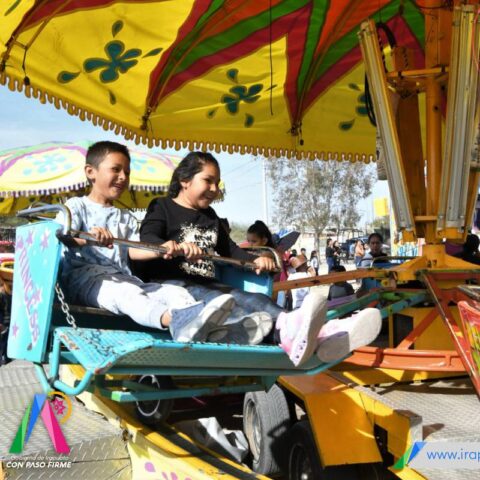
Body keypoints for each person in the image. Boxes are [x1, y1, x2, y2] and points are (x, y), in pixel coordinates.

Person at [140, 151, 382, 365]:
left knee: (255, 299)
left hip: (209, 284)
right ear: (185, 180)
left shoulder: (210, 216)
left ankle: (322, 333)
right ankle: (296, 335)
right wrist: (170, 246)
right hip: (175, 286)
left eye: (217, 183)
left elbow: (230, 250)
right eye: (208, 181)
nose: (214, 189)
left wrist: (256, 260)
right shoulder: (162, 207)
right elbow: (148, 238)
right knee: (226, 304)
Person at [56, 141, 238, 344]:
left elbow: (133, 251)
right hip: (86, 281)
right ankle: (177, 322)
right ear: (91, 172)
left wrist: (162, 249)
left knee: (175, 292)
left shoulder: (125, 217)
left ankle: (205, 328)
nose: (123, 177)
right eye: (115, 169)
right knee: (127, 293)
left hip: (124, 278)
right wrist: (88, 237)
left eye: (127, 172)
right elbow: (61, 236)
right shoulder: (75, 206)